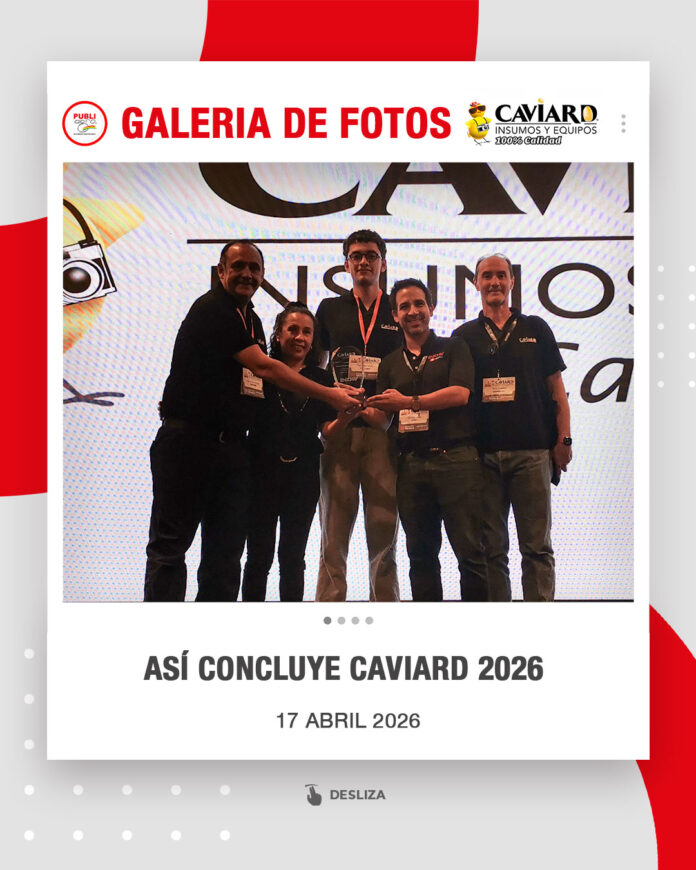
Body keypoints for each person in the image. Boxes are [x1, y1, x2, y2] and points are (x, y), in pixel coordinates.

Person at [144, 241, 360, 602]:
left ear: (262, 275)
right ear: (221, 271)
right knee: (171, 549)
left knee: (225, 555)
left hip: (231, 451)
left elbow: (248, 385)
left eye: (254, 268)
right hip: (189, 445)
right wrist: (329, 394)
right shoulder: (213, 309)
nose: (247, 274)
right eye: (238, 266)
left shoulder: (252, 320)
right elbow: (263, 368)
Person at [451, 254, 572, 602]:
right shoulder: (463, 336)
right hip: (482, 458)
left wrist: (564, 439)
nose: (494, 282)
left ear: (512, 282)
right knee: (491, 550)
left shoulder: (536, 328)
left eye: (501, 275)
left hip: (533, 454)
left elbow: (557, 391)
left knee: (537, 548)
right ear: (476, 283)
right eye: (487, 276)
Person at [368, 279, 487, 601]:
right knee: (420, 557)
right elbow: (383, 420)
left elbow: (460, 394)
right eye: (404, 306)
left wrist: (409, 402)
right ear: (395, 315)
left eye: (419, 303)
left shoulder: (454, 347)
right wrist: (354, 407)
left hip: (457, 461)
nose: (413, 311)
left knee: (471, 554)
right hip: (411, 466)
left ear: (431, 308)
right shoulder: (390, 363)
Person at [242, 303, 356, 601]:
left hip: (303, 476)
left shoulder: (321, 378)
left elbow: (326, 430)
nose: (300, 338)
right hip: (261, 472)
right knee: (258, 556)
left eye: (307, 332)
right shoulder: (260, 370)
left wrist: (346, 416)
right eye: (292, 330)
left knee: (293, 558)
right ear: (278, 334)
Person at [314, 229, 402, 602]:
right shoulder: (329, 309)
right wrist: (326, 416)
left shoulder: (397, 307)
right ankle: (329, 612)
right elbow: (316, 369)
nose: (364, 261)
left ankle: (385, 610)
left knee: (384, 532)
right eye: (356, 256)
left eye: (371, 255)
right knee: (333, 535)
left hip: (384, 432)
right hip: (342, 430)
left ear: (383, 262)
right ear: (347, 264)